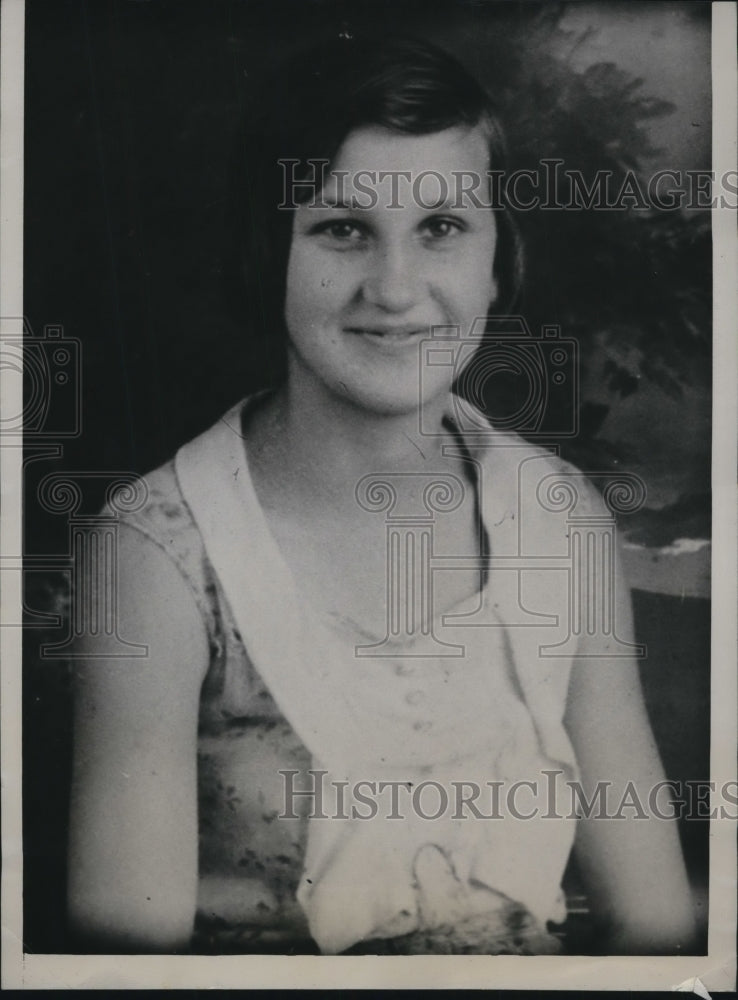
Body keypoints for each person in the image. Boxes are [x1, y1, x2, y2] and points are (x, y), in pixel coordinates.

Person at [67, 34, 697, 956]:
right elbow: (127, 967)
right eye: (342, 229)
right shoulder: (157, 555)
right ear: (267, 250)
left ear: (497, 259)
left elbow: (658, 926)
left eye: (441, 227)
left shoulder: (560, 521)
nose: (396, 290)